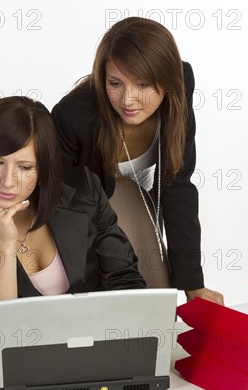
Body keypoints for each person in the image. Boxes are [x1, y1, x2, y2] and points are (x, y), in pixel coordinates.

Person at [0, 96, 146, 342]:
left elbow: (124, 279)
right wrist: (4, 245)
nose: (8, 181)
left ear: (44, 168)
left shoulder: (85, 190)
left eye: (25, 167)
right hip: (22, 358)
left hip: (98, 342)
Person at [52, 17, 224, 305]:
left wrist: (193, 283)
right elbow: (64, 208)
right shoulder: (74, 115)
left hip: (142, 195)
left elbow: (177, 184)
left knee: (159, 303)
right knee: (130, 300)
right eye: (115, 83)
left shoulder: (180, 83)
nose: (128, 100)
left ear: (168, 80)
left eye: (143, 84)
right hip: (83, 206)